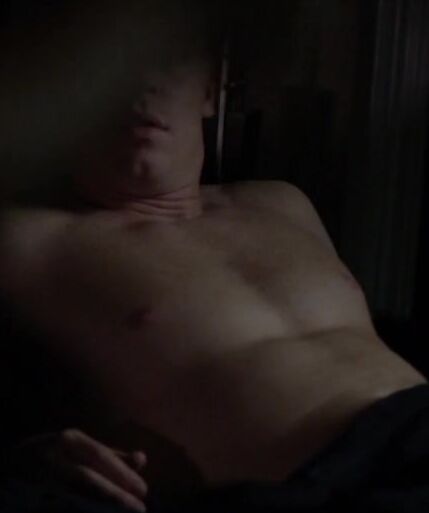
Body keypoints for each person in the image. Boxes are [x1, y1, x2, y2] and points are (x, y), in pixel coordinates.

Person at [0, 3, 428, 513]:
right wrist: (25, 455)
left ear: (210, 89)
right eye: (119, 64)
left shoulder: (283, 202)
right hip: (329, 484)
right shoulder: (26, 238)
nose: (143, 84)